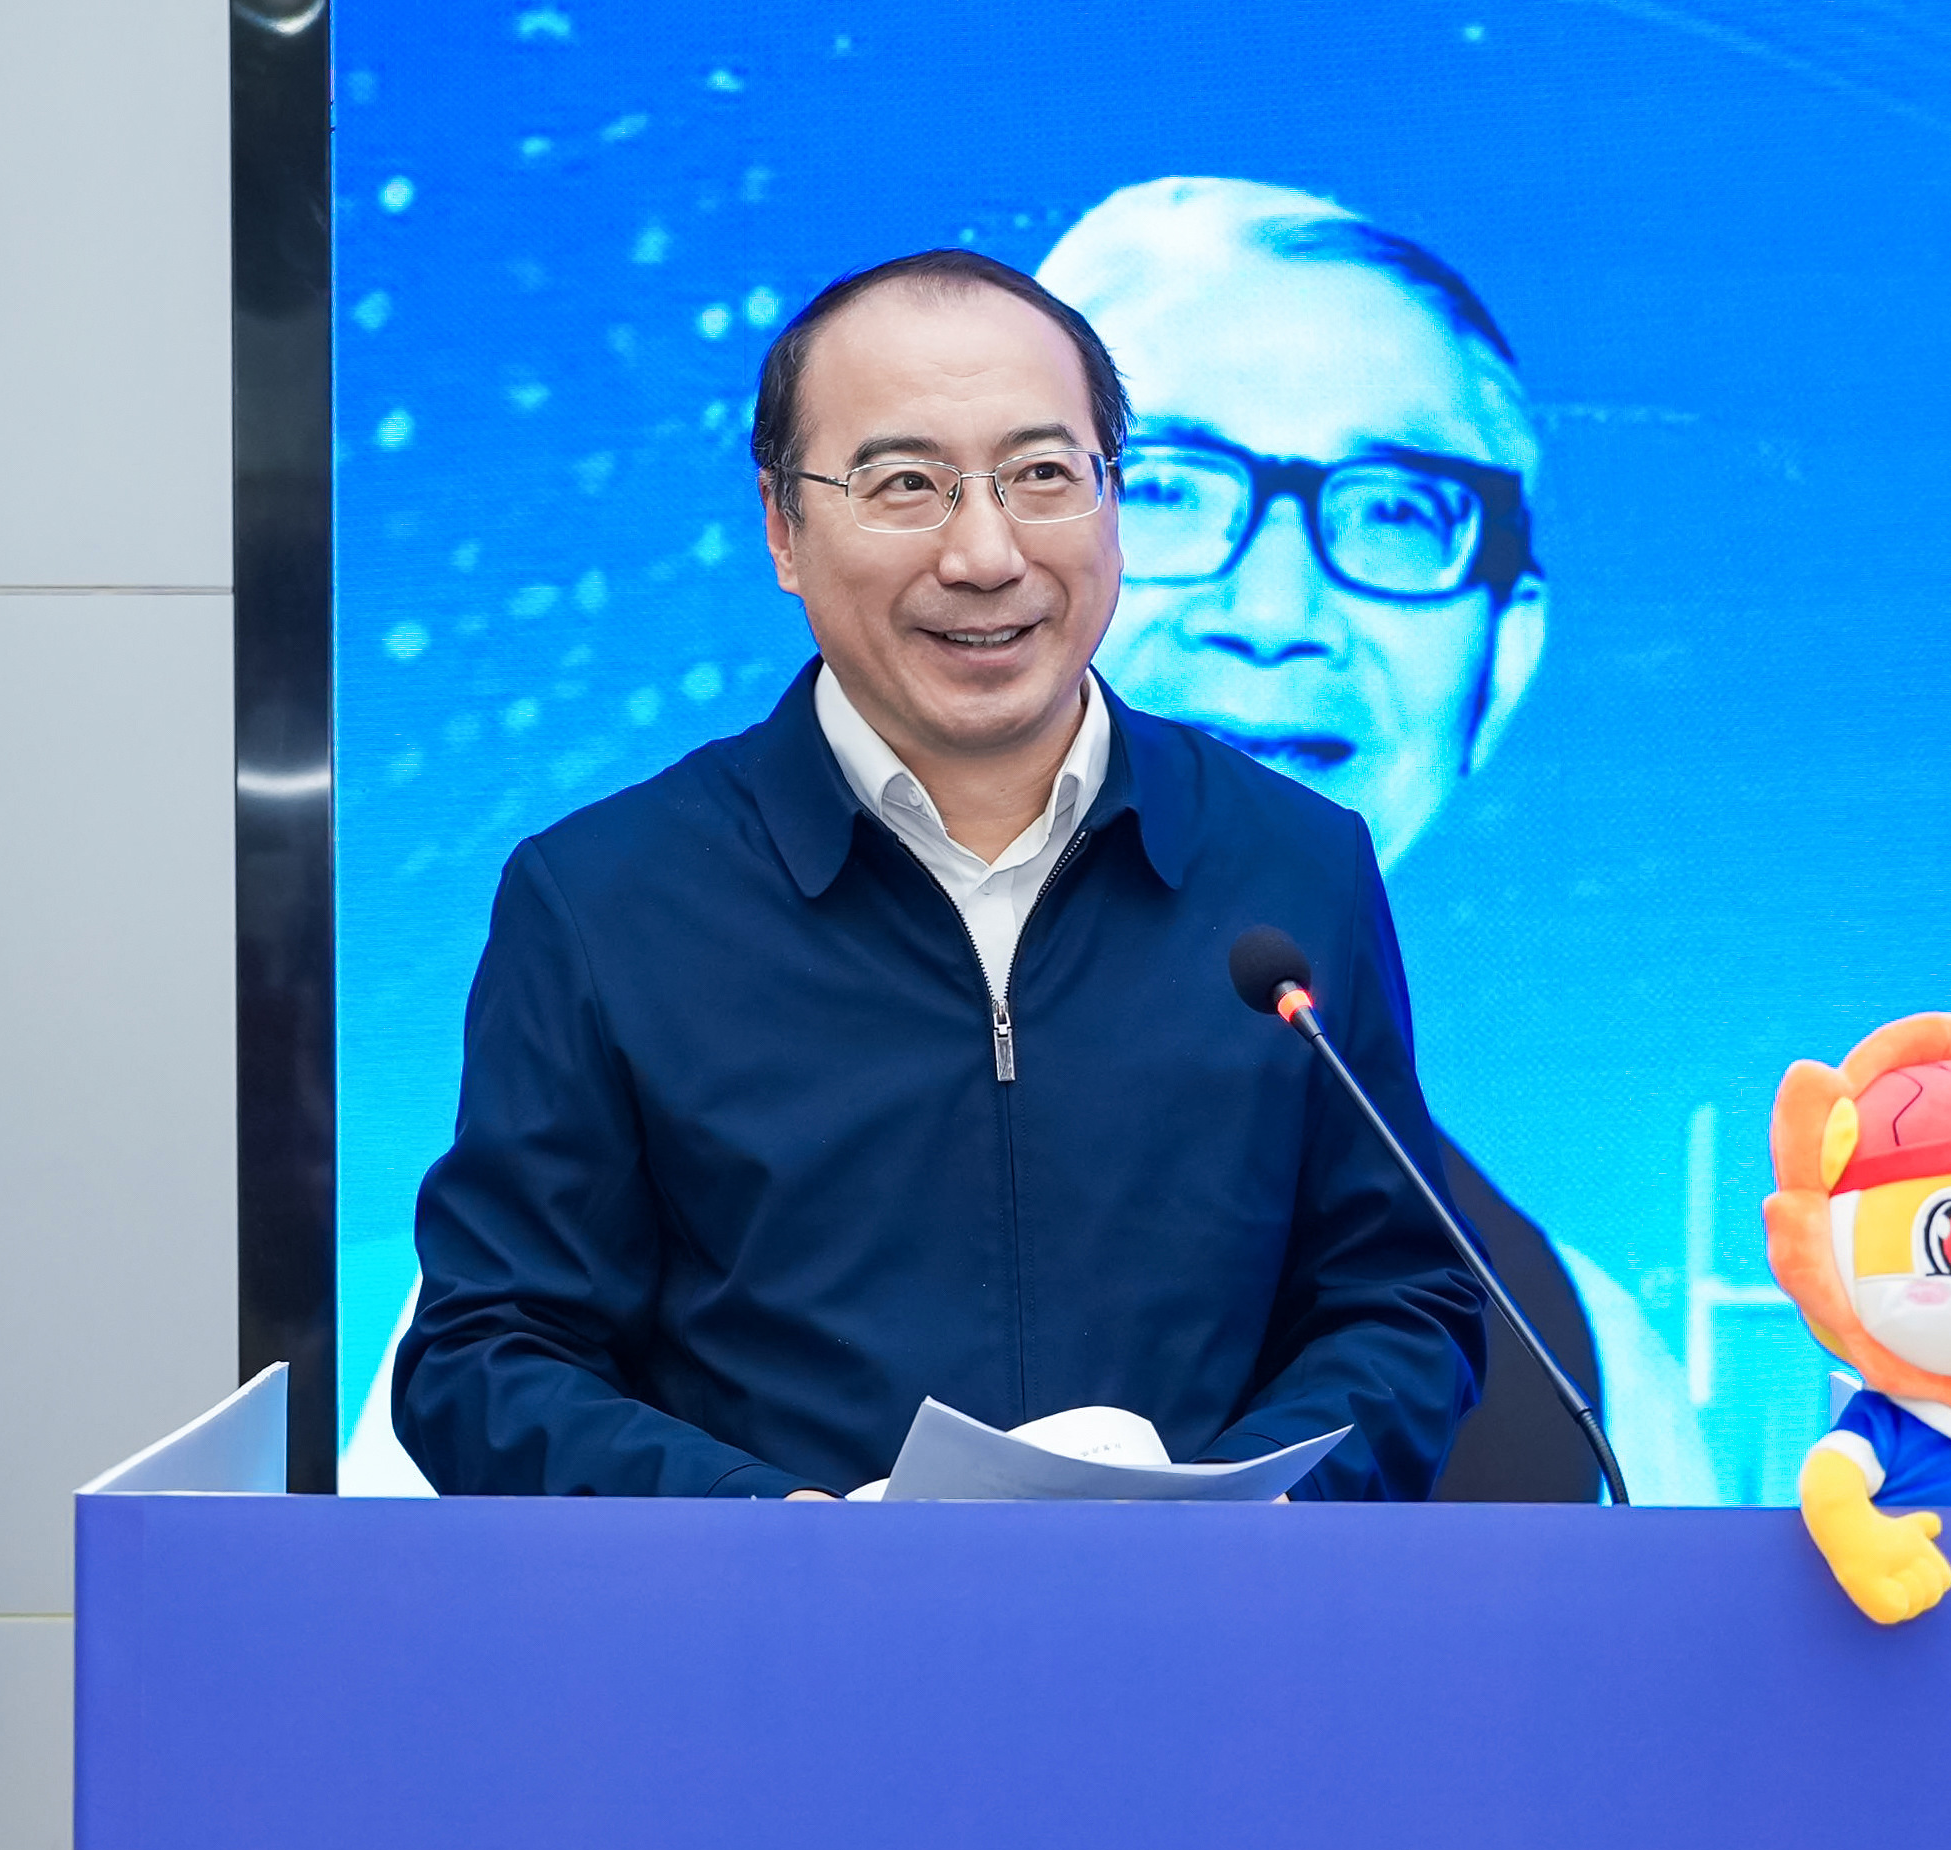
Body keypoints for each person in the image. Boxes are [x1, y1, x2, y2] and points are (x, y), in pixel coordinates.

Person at [387, 248, 1484, 1499]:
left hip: (1209, 1615)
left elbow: (1401, 1302)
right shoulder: (605, 900)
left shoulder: (1294, 866)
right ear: (783, 528)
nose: (986, 554)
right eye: (906, 484)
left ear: (1113, 500)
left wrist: (1239, 1522)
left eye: (1043, 476)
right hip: (775, 1616)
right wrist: (773, 1533)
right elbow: (489, 1358)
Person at [1039, 179, 1708, 1503]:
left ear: (1502, 660)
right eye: (1163, 486)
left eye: (1396, 510)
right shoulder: (692, 1187)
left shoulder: (1584, 1369)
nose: (1274, 609)